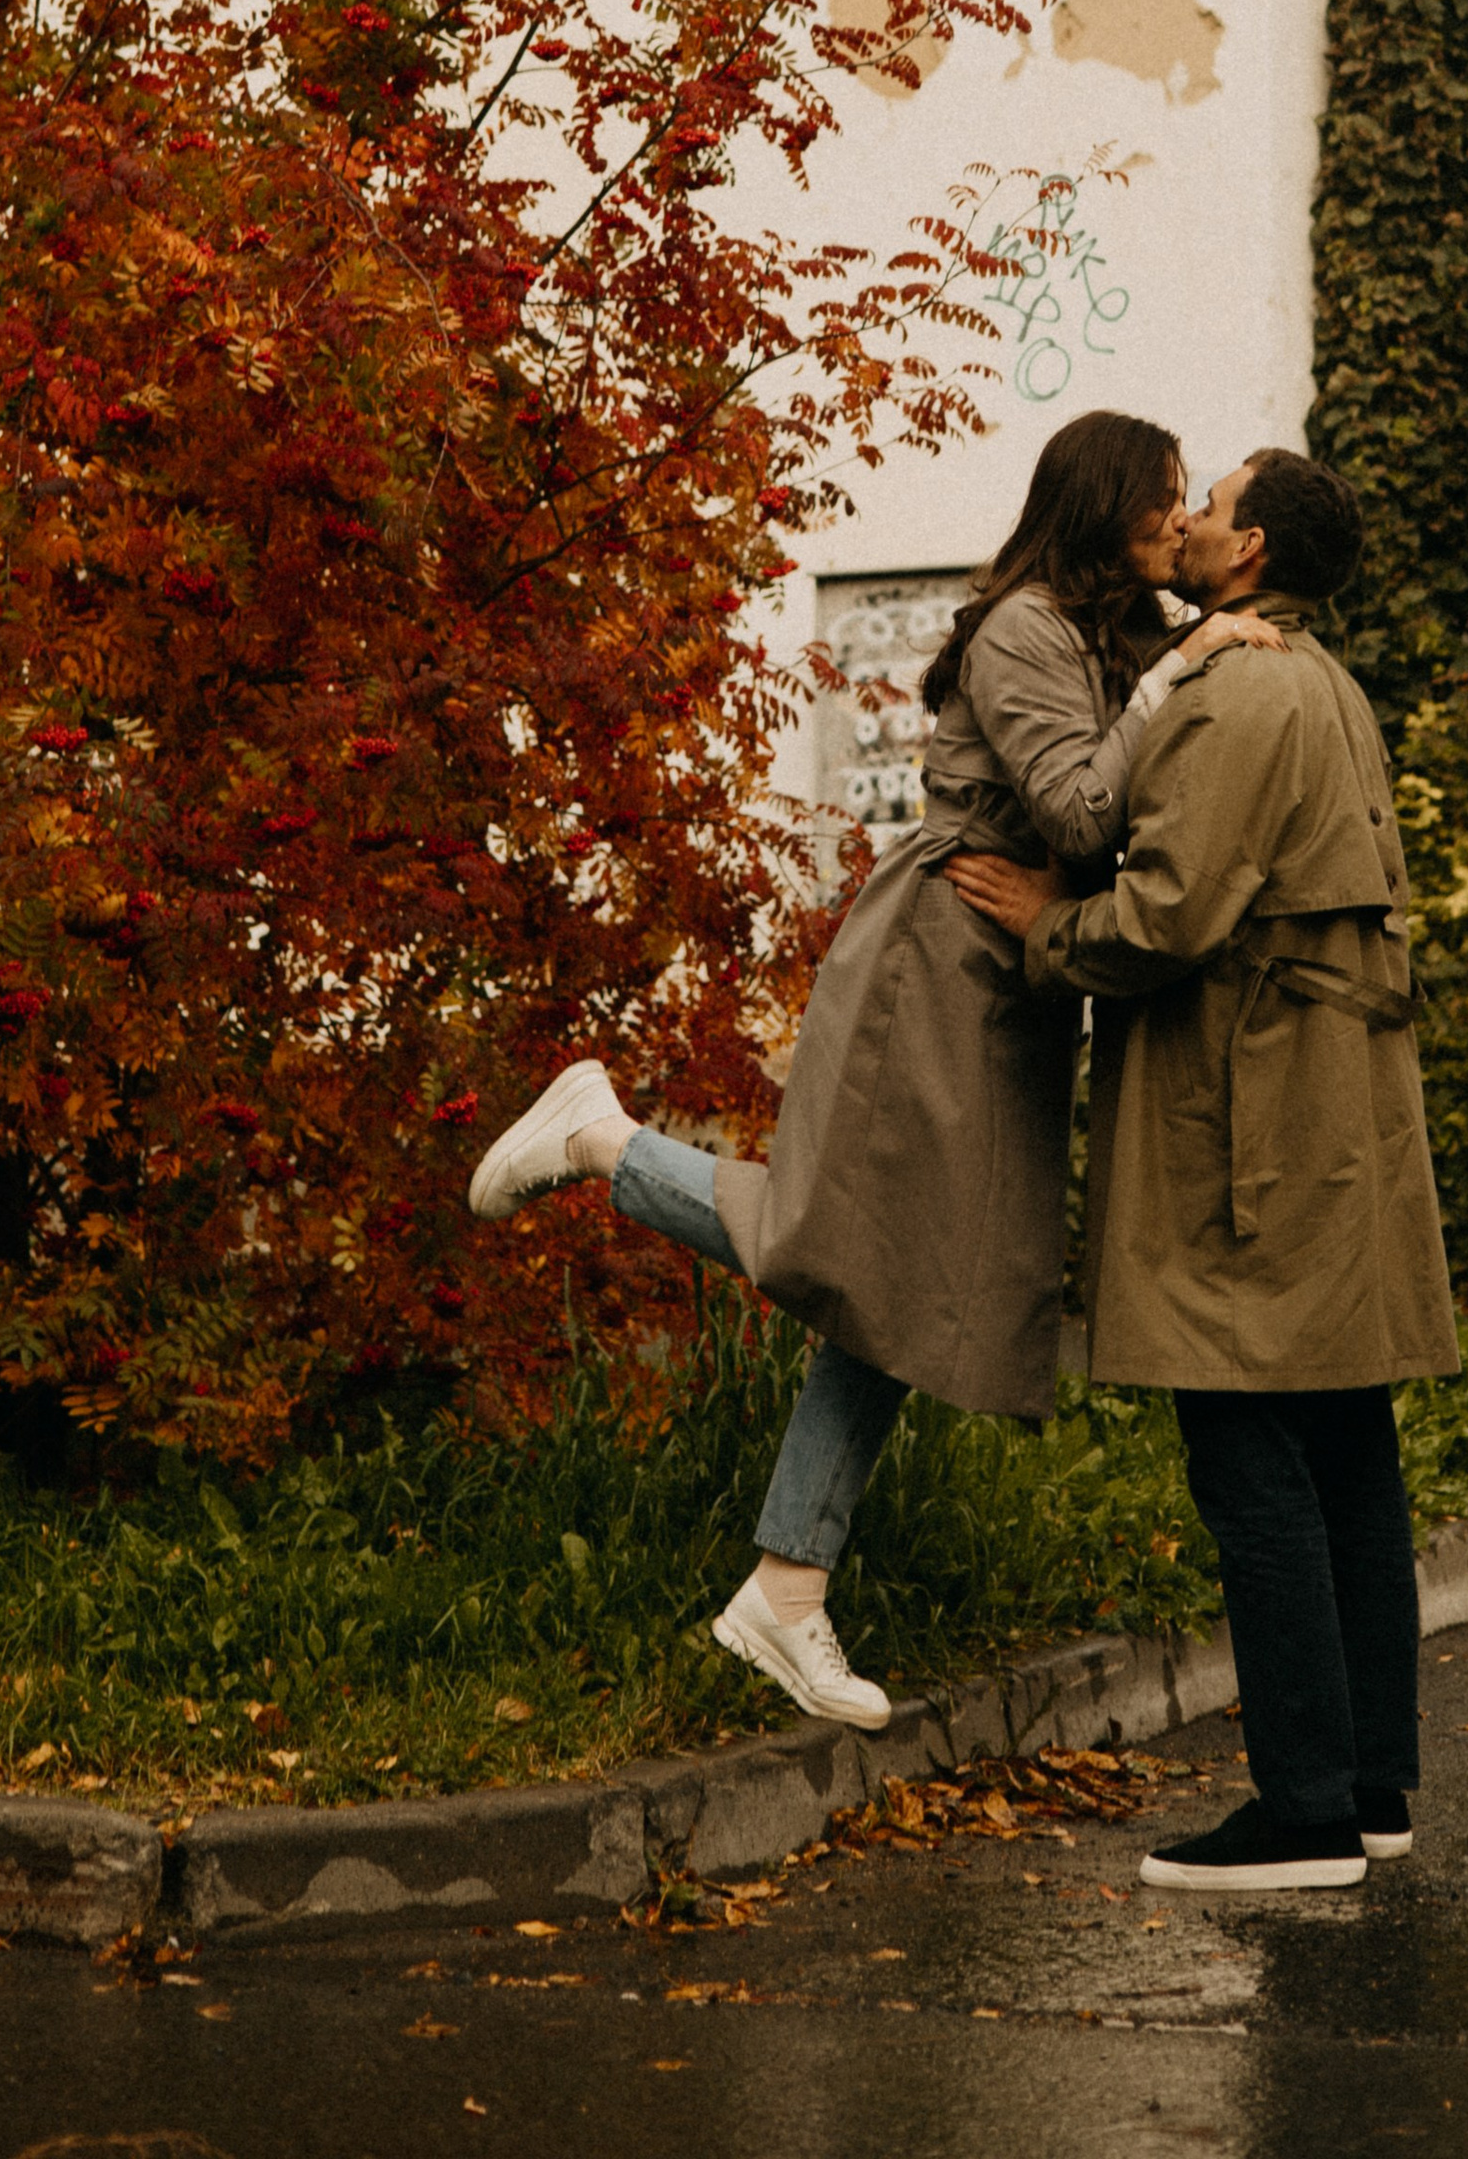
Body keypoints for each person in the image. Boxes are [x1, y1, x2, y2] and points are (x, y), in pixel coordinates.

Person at [459, 411, 1280, 1734]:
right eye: (1160, 494)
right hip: (937, 964)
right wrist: (1181, 671)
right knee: (842, 1245)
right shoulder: (1024, 632)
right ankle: (606, 1139)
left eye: (1189, 498)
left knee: (901, 1280)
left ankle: (786, 1584)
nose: (1174, 515)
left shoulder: (1100, 630)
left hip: (1007, 981)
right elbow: (1079, 809)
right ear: (1099, 498)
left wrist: (1204, 626)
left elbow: (1134, 756)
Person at [955, 448, 1457, 1894]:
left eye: (1211, 504)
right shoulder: (1327, 685)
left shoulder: (1236, 691)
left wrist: (1053, 921)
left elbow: (1168, 918)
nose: (1183, 520)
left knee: (1250, 1452)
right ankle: (1369, 1788)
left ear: (1248, 556)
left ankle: (1301, 1808)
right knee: (1350, 1445)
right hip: (1330, 1118)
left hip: (1251, 1124)